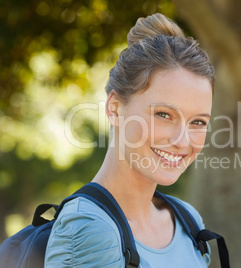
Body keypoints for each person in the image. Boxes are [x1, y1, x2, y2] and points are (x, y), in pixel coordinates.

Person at [44, 13, 215, 268]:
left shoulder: (188, 221)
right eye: (164, 114)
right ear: (115, 109)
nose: (182, 141)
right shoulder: (90, 231)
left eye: (198, 122)